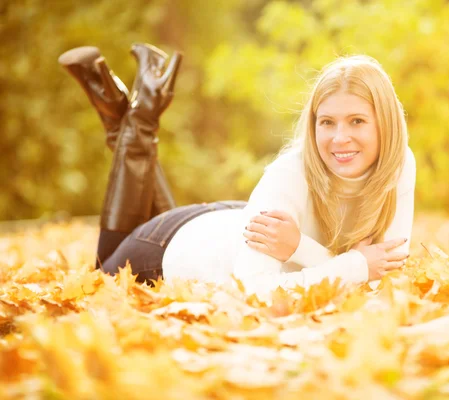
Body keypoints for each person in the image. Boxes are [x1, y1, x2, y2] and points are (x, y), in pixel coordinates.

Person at [58, 43, 416, 296]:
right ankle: (135, 120)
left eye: (357, 121)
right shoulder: (289, 174)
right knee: (100, 281)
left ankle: (129, 116)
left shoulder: (399, 165)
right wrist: (354, 266)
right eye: (327, 122)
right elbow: (256, 293)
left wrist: (300, 249)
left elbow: (378, 273)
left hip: (231, 226)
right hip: (172, 247)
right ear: (312, 125)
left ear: (385, 123)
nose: (340, 138)